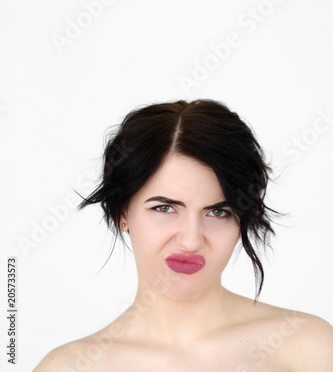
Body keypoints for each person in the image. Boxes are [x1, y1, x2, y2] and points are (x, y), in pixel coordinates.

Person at [33, 99, 333, 371]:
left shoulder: (307, 347)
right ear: (123, 213)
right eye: (165, 208)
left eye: (218, 212)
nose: (191, 240)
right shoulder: (69, 367)